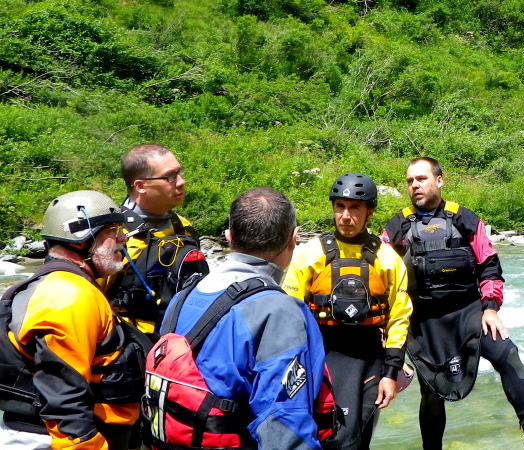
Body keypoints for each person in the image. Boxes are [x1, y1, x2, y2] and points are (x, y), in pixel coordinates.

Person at [382, 157, 524, 450]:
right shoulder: (396, 227)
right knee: (430, 391)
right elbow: (381, 277)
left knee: (507, 354)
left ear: (439, 180)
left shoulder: (465, 220)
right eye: (410, 181)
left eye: (422, 178)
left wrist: (490, 307)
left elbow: (490, 266)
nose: (415, 185)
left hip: (468, 313)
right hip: (423, 322)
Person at [144, 186, 326, 449]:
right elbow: (285, 424)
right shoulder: (278, 311)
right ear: (293, 238)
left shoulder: (182, 297)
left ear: (229, 236)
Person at [0, 190, 148, 450]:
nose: (124, 238)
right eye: (113, 230)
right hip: (58, 440)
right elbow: (64, 402)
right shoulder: (68, 296)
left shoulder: (70, 286)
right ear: (80, 241)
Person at [282, 173, 413, 450]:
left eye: (355, 208)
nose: (345, 215)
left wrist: (390, 373)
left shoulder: (387, 258)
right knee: (326, 436)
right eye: (340, 206)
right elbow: (289, 312)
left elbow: (399, 318)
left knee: (357, 436)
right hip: (321, 352)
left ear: (370, 213)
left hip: (368, 357)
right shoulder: (310, 253)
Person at [102, 144, 208, 339]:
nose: (181, 182)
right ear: (140, 186)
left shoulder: (183, 227)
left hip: (180, 344)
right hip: (130, 348)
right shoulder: (113, 236)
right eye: (170, 177)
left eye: (179, 172)